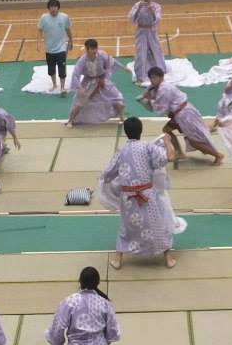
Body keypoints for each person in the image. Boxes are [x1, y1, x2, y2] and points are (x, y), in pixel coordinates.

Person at [101, 117, 177, 270]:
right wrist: (168, 142)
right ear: (141, 131)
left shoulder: (121, 152)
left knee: (126, 226)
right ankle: (168, 258)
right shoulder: (148, 147)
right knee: (158, 224)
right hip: (148, 194)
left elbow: (107, 174)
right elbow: (169, 157)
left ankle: (117, 260)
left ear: (126, 133)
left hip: (128, 197)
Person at [141, 66, 223, 165]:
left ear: (161, 77)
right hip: (178, 115)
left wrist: (148, 99)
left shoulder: (164, 89)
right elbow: (154, 103)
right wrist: (148, 94)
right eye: (150, 78)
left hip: (185, 115)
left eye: (154, 77)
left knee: (194, 141)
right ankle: (179, 152)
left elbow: (161, 110)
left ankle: (218, 155)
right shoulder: (157, 88)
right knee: (166, 130)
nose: (152, 80)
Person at [67, 39, 131, 127]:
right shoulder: (82, 61)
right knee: (79, 102)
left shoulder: (102, 55)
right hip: (88, 82)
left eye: (95, 48)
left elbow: (112, 61)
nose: (94, 51)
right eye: (91, 49)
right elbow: (75, 74)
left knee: (117, 97)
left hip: (103, 79)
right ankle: (70, 120)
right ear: (87, 49)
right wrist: (80, 88)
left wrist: (124, 68)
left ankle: (122, 117)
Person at [128, 0, 167, 84]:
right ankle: (140, 76)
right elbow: (132, 19)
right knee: (140, 53)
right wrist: (138, 9)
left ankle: (160, 72)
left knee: (156, 51)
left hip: (151, 31)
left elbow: (157, 19)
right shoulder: (137, 5)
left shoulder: (156, 6)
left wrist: (151, 10)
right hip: (141, 32)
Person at [37, 0, 73, 94]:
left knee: (62, 69)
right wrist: (38, 42)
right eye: (51, 7)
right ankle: (54, 84)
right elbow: (40, 29)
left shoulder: (64, 17)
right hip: (49, 49)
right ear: (48, 8)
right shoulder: (44, 18)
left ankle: (62, 87)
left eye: (55, 7)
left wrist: (71, 40)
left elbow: (68, 29)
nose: (53, 9)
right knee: (51, 69)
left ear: (58, 8)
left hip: (61, 48)